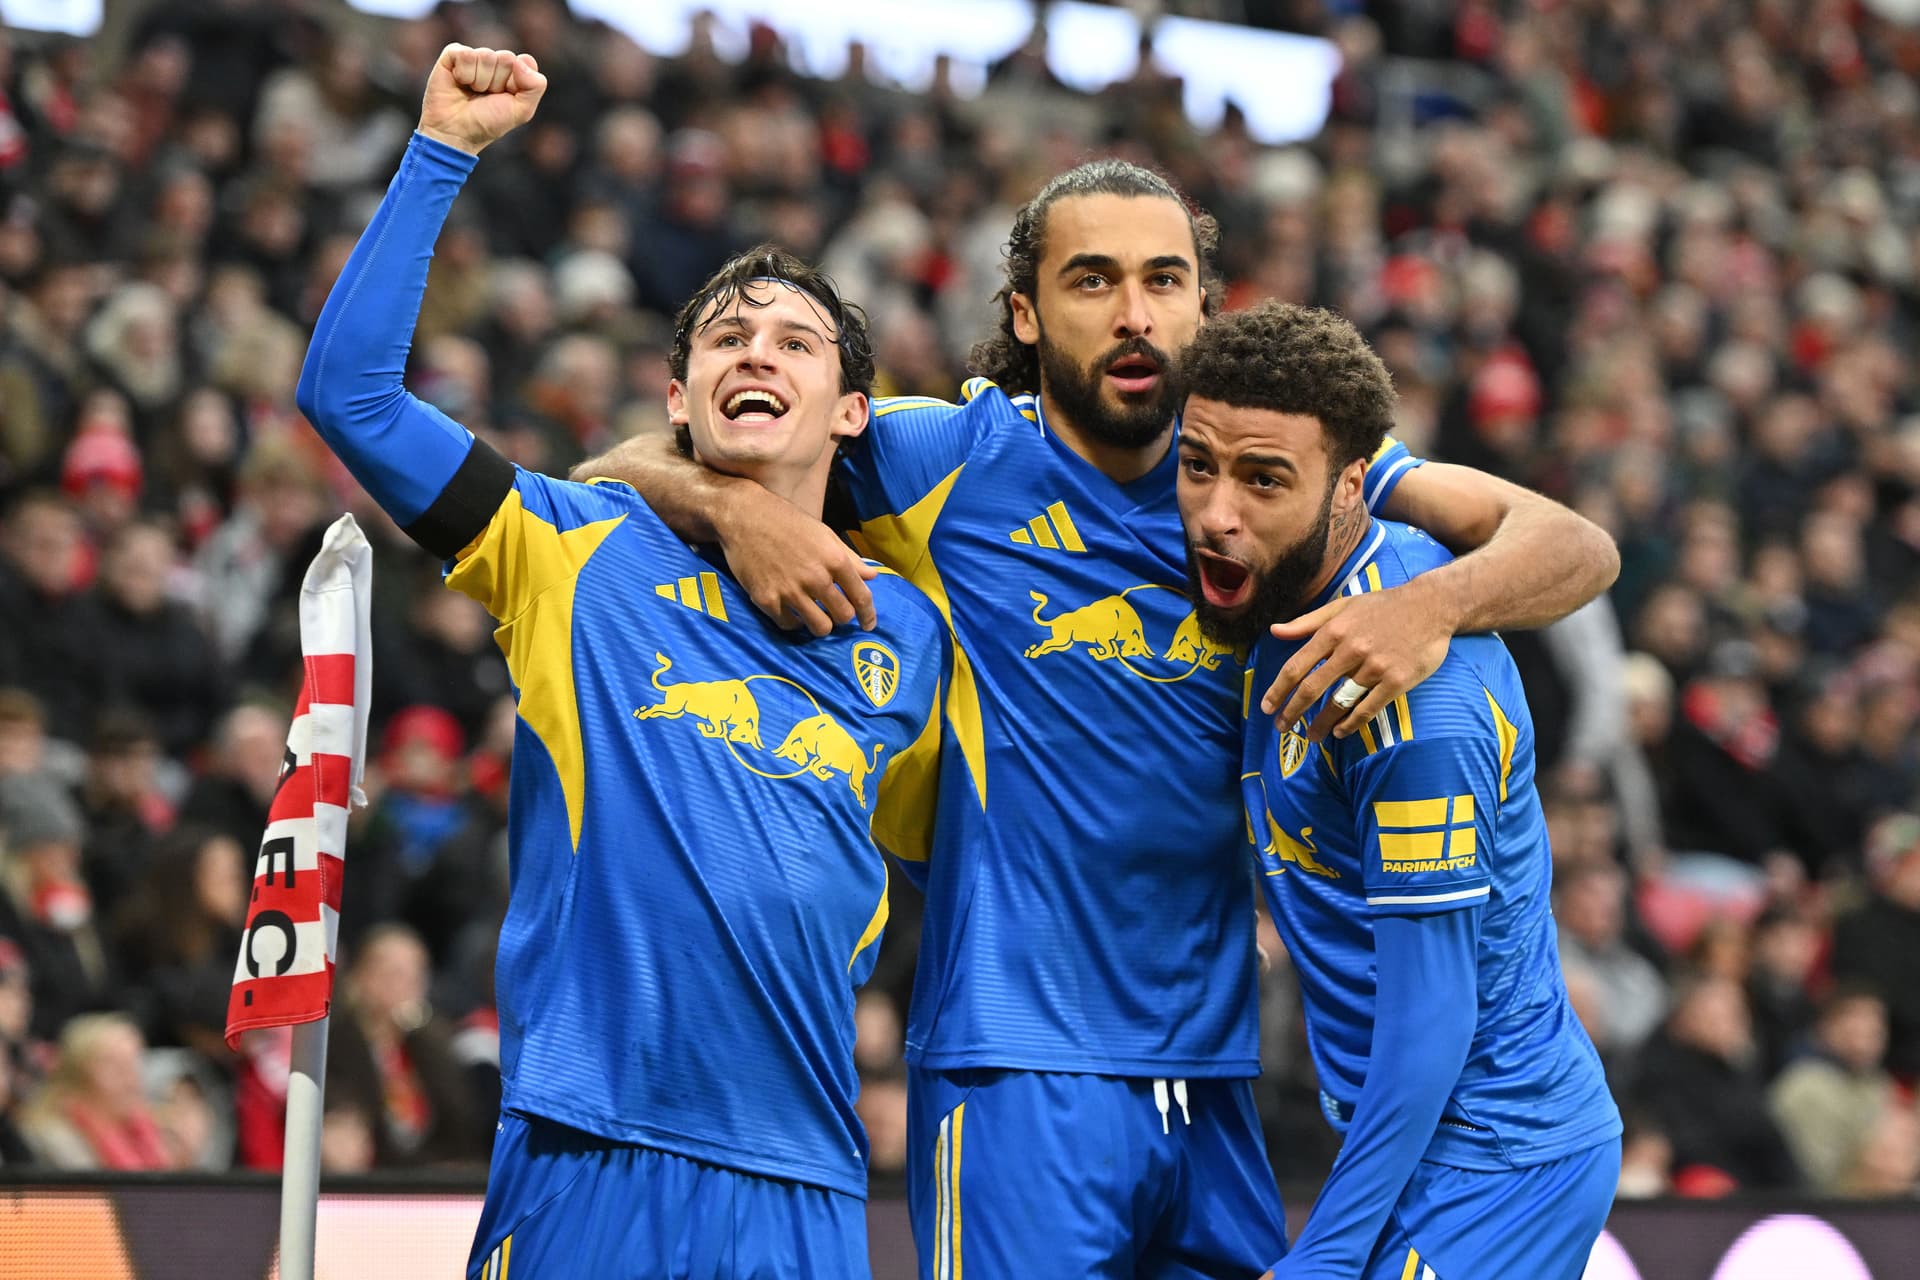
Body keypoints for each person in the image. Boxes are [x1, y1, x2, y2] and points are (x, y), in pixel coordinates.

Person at [580, 165, 1616, 1273]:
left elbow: (1575, 548)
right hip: (1017, 1064)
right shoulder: (940, 459)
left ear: (1202, 306)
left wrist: (1430, 606)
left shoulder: (1257, 468)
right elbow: (619, 469)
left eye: (1164, 280)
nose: (1134, 314)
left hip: (1212, 1078)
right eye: (1092, 280)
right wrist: (732, 507)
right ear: (1025, 314)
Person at [296, 45, 948, 1277]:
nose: (757, 353)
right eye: (727, 338)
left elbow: (967, 864)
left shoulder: (911, 633)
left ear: (852, 410)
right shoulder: (573, 549)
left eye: (798, 342)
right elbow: (352, 399)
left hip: (807, 1178)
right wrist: (441, 154)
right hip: (591, 1149)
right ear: (679, 398)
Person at [1178, 301, 1621, 1279]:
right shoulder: (1298, 549)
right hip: (1422, 1139)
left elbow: (1433, 1020)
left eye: (1262, 481)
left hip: (1494, 1157)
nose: (1216, 512)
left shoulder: (1415, 710)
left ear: (1350, 484)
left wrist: (1328, 1256)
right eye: (1197, 466)